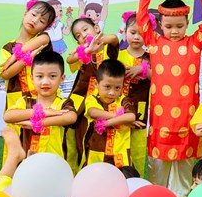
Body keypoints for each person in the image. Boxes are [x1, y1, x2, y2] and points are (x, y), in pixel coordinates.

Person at [136, 0, 202, 197]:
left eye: (179, 26)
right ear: (160, 24)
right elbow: (142, 20)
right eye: (169, 26)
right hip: (160, 118)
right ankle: (157, 196)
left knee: (186, 158)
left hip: (186, 116)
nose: (174, 31)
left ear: (187, 24)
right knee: (159, 162)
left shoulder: (194, 44)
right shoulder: (154, 42)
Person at [64, 16, 120, 171]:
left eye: (85, 30)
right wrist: (87, 50)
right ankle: (77, 170)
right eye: (78, 35)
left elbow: (114, 38)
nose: (83, 35)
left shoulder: (108, 48)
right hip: (83, 103)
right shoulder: (82, 54)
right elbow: (69, 59)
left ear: (96, 28)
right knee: (80, 136)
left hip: (106, 101)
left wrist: (96, 42)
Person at [4, 50, 78, 158]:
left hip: (55, 162)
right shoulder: (25, 102)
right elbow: (7, 116)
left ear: (62, 79)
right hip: (27, 162)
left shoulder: (63, 104)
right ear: (32, 79)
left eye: (52, 76)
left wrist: (38, 123)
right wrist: (42, 112)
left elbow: (71, 117)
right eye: (39, 76)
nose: (45, 82)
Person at [0, 0, 56, 117]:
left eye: (42, 21)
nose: (35, 20)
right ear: (25, 14)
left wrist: (14, 56)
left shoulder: (42, 40)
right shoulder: (8, 47)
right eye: (33, 14)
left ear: (44, 28)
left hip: (42, 98)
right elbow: (4, 74)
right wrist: (25, 59)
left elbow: (43, 39)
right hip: (16, 99)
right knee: (17, 126)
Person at [83, 59, 137, 167]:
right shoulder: (92, 99)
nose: (112, 92)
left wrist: (107, 123)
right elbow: (93, 112)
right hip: (96, 152)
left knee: (121, 177)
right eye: (107, 87)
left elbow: (131, 116)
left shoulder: (123, 100)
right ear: (96, 84)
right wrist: (119, 118)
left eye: (117, 88)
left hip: (120, 154)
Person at [119, 12, 152, 175]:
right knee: (119, 145)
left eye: (142, 34)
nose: (137, 37)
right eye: (133, 32)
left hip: (141, 109)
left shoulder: (151, 58)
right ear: (125, 32)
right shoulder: (118, 55)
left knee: (138, 149)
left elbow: (160, 77)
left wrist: (142, 70)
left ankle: (137, 179)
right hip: (119, 108)